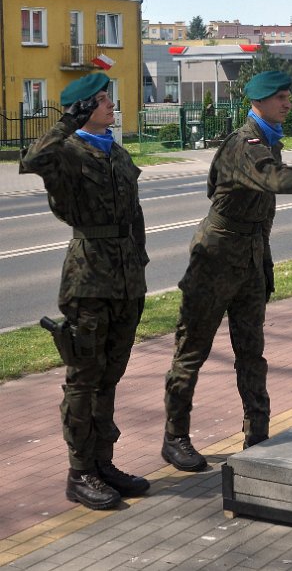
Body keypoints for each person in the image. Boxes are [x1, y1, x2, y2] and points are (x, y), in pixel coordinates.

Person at [162, 70, 292, 472]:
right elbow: (275, 180)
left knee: (251, 352)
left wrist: (262, 264)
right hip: (215, 260)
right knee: (192, 351)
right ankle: (175, 437)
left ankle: (257, 434)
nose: (287, 103)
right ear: (258, 101)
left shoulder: (269, 142)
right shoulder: (247, 144)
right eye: (280, 97)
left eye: (288, 96)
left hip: (248, 260)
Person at [19, 72, 150, 510]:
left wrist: (141, 263)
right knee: (83, 379)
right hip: (89, 276)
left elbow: (135, 214)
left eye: (108, 98)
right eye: (101, 100)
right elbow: (31, 159)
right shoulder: (68, 152)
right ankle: (79, 473)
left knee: (109, 378)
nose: (111, 105)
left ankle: (103, 463)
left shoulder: (116, 151)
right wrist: (64, 124)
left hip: (126, 278)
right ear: (81, 109)